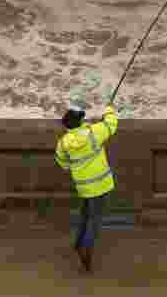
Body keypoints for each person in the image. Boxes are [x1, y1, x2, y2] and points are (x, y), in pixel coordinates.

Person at [55, 102, 118, 273]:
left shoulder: (64, 142)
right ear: (80, 121)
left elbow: (63, 163)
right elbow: (111, 124)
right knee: (94, 220)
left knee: (84, 215)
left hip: (83, 186)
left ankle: (78, 244)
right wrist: (109, 110)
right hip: (100, 184)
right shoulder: (93, 133)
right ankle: (86, 249)